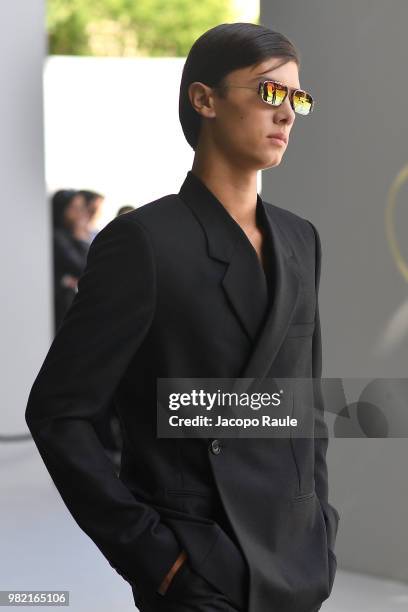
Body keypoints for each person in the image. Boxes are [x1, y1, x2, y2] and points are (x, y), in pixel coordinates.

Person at [25, 22, 340, 612]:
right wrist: (154, 556)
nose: (288, 113)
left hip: (296, 560)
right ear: (205, 99)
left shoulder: (301, 239)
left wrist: (319, 525)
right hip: (198, 564)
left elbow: (303, 405)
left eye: (298, 97)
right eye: (270, 92)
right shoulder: (141, 242)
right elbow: (58, 412)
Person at [51, 189, 90, 332]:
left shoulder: (68, 235)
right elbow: (84, 268)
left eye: (82, 208)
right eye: (75, 208)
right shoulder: (57, 237)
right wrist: (81, 237)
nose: (81, 213)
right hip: (60, 306)